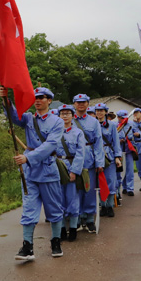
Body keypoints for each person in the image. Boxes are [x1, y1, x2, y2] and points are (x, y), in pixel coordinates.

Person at [0, 86, 65, 260]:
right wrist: (6, 99)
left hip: (47, 168)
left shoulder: (57, 122)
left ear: (49, 100)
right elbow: (13, 116)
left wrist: (29, 158)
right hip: (30, 171)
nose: (38, 100)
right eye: (35, 97)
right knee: (29, 208)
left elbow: (50, 145)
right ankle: (27, 246)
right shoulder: (28, 118)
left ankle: (56, 241)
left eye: (42, 97)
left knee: (54, 208)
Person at [73, 94, 105, 232]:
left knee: (89, 189)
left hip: (89, 158)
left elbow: (98, 143)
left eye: (83, 102)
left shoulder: (94, 122)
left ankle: (90, 218)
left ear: (87, 104)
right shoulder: (68, 120)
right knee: (75, 190)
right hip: (72, 159)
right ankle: (78, 217)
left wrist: (99, 162)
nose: (80, 104)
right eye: (78, 102)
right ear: (74, 104)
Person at [55, 103, 86, 242]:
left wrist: (74, 171)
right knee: (58, 199)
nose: (65, 116)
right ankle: (61, 229)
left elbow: (80, 153)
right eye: (62, 113)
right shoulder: (54, 132)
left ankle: (73, 228)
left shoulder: (78, 133)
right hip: (57, 167)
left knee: (72, 200)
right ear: (59, 116)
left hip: (72, 166)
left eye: (68, 113)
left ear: (72, 116)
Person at [93, 103, 122, 217]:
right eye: (97, 110)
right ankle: (102, 205)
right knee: (99, 182)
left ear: (105, 112)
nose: (99, 113)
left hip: (109, 155)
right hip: (96, 155)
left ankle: (109, 206)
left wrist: (117, 157)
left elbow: (116, 142)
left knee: (111, 181)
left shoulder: (112, 125)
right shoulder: (93, 125)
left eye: (101, 110)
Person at [116, 109, 136, 197]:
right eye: (121, 118)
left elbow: (135, 135)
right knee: (121, 170)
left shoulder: (131, 124)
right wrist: (118, 140)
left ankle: (130, 188)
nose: (123, 119)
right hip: (120, 150)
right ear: (118, 118)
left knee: (130, 170)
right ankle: (123, 187)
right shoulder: (115, 126)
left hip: (129, 149)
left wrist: (136, 135)